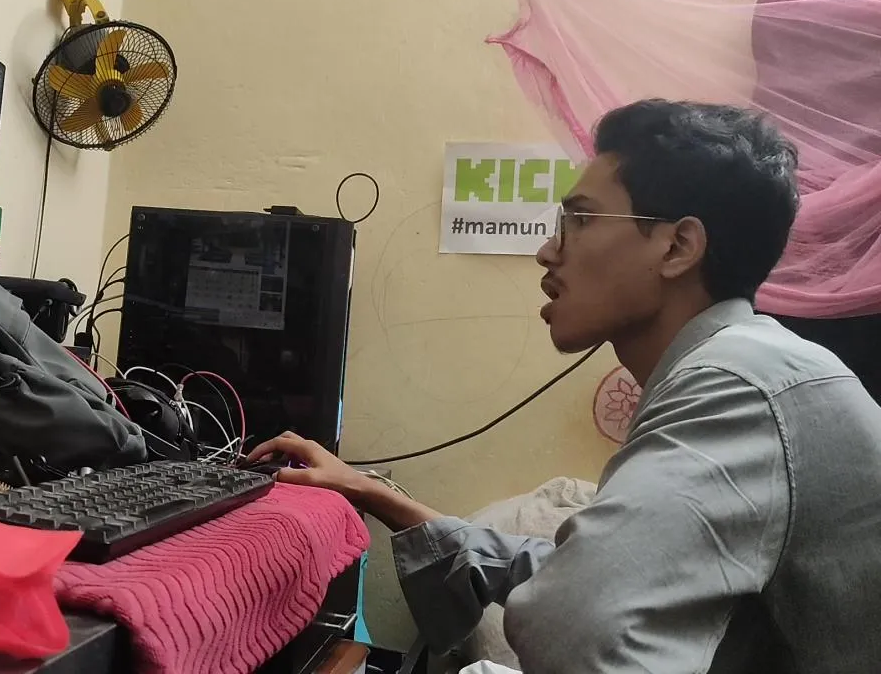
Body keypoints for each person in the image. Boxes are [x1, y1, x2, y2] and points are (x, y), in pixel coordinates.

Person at [250, 100, 881, 673]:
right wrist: (369, 490)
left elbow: (579, 624)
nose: (548, 252)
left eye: (580, 219)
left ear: (678, 247)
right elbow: (573, 573)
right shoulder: (747, 366)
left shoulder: (736, 385)